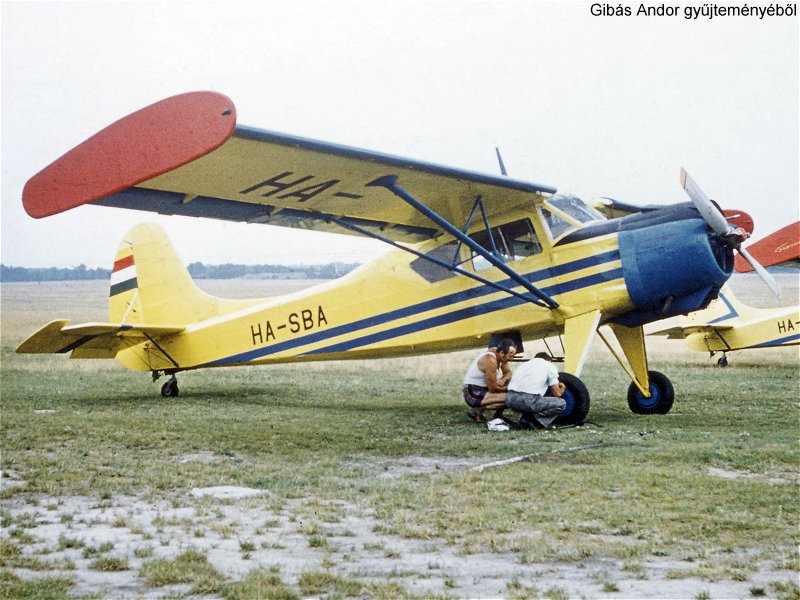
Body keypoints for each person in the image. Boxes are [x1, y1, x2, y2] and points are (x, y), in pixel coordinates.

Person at [506, 352, 566, 429]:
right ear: (548, 360)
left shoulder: (523, 365)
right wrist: (562, 387)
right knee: (561, 403)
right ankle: (534, 421)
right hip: (528, 401)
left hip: (510, 400)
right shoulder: (549, 366)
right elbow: (557, 393)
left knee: (533, 398)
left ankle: (526, 418)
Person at [462, 339, 516, 423]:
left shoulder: (501, 354)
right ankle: (479, 409)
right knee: (513, 398)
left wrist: (503, 379)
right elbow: (493, 388)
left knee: (510, 385)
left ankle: (498, 415)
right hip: (472, 391)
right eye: (510, 356)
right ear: (502, 353)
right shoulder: (491, 360)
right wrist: (510, 389)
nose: (511, 359)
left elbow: (508, 373)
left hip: (485, 388)